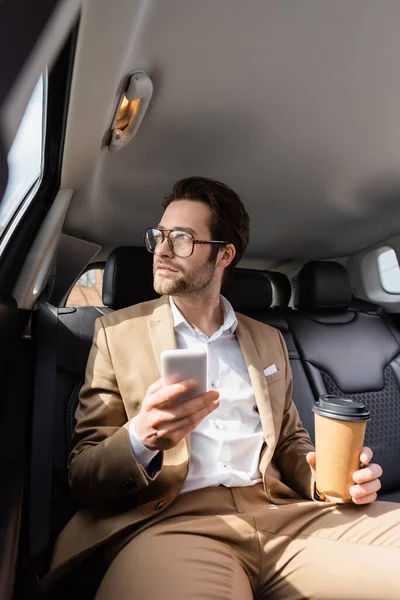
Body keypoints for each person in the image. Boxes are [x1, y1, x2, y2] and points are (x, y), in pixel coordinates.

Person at [50, 177, 400, 599]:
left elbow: (290, 442)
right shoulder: (116, 334)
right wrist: (140, 439)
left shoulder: (267, 339)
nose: (161, 249)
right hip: (171, 524)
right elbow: (84, 473)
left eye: (181, 238)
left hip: (284, 516)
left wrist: (329, 477)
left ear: (224, 255)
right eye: (159, 236)